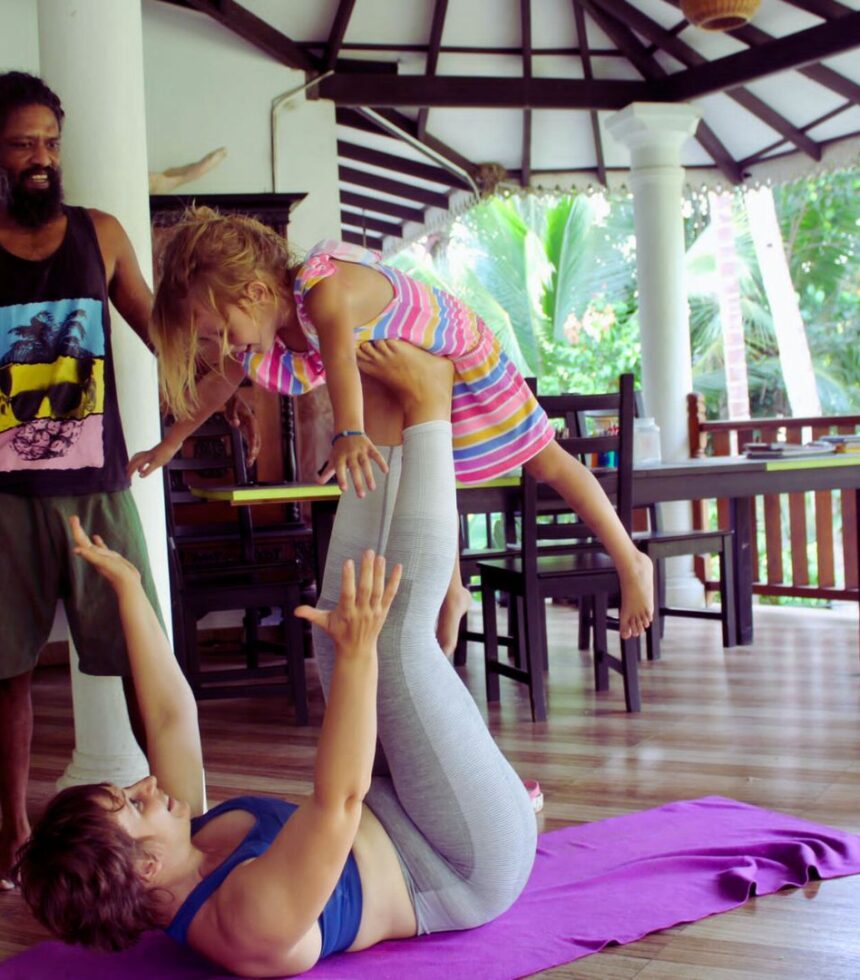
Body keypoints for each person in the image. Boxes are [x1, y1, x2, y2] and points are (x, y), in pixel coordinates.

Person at [13, 347, 537, 977]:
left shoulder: (184, 846)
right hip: (462, 861)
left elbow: (173, 718)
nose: (146, 785)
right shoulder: (245, 921)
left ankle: (384, 417)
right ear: (142, 867)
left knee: (334, 631)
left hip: (397, 808)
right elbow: (338, 802)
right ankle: (427, 407)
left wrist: (127, 590)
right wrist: (359, 656)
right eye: (133, 803)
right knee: (390, 641)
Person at [131, 208, 654, 655]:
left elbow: (339, 360)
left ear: (256, 292)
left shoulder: (323, 290)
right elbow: (219, 385)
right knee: (431, 478)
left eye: (221, 331)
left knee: (545, 458)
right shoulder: (268, 331)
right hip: (409, 380)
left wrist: (349, 432)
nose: (223, 345)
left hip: (458, 352)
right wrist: (172, 440)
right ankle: (452, 592)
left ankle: (630, 560)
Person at [0, 72, 254, 891]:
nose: (41, 159)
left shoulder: (99, 233)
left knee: (144, 659)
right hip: (4, 497)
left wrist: (224, 376)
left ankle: (188, 817)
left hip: (98, 488)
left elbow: (159, 333)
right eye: (22, 144)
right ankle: (12, 833)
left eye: (50, 142)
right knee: (5, 673)